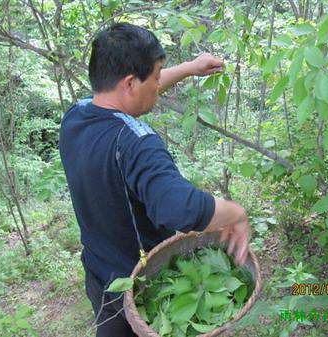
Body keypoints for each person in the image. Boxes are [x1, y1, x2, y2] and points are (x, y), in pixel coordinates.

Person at [59, 23, 250, 337]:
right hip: (140, 285)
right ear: (131, 83)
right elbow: (179, 208)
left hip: (100, 273)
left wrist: (189, 69)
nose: (160, 83)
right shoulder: (136, 143)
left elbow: (128, 91)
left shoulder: (75, 116)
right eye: (157, 76)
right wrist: (235, 212)